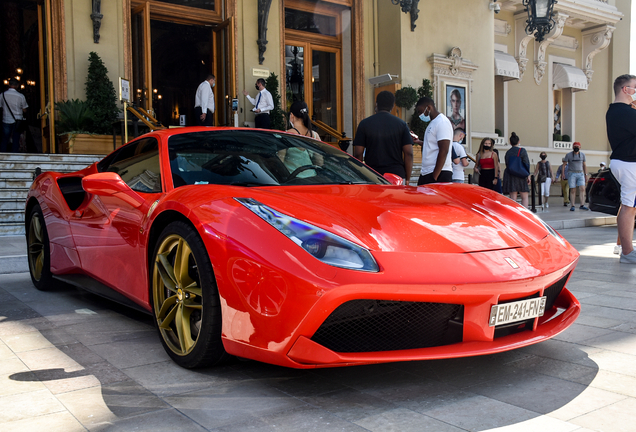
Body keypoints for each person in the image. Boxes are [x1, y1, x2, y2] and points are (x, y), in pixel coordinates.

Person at [606, 74, 636, 263]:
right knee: (629, 207)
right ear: (626, 89)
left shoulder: (616, 111)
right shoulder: (625, 112)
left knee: (628, 205)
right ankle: (627, 252)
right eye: (635, 88)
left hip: (624, 162)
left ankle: (622, 246)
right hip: (629, 163)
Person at [353, 91, 413, 182]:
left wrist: (360, 175)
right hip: (396, 176)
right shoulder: (402, 124)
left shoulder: (364, 124)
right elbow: (409, 153)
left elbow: (358, 153)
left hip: (372, 174)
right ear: (392, 106)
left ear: (376, 104)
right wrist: (407, 178)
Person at [414, 97, 453, 184]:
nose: (420, 115)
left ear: (428, 108)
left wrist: (434, 177)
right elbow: (432, 146)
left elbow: (444, 150)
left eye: (420, 111)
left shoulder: (442, 122)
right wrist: (418, 142)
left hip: (439, 173)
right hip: (427, 172)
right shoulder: (433, 123)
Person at [502, 132, 530, 207]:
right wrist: (528, 175)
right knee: (524, 196)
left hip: (511, 175)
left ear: (510, 143)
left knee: (513, 198)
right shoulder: (522, 151)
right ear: (519, 141)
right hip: (521, 175)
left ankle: (513, 215)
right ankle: (525, 214)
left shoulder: (508, 152)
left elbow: (507, 164)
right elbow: (526, 163)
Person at [0, 78, 28, 153]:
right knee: (16, 138)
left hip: (6, 119)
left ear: (9, 84)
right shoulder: (20, 96)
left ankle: (3, 155)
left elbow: (1, 106)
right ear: (17, 85)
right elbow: (25, 109)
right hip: (18, 120)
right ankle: (15, 154)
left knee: (5, 139)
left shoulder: (2, 95)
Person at [564, 141, 589, 211]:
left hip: (580, 173)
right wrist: (563, 173)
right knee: (573, 189)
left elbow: (584, 165)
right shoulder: (568, 155)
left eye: (577, 147)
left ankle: (582, 204)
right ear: (572, 147)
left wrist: (586, 174)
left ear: (580, 147)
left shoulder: (583, 155)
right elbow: (564, 164)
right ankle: (572, 205)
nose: (576, 148)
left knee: (582, 188)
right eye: (575, 147)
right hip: (572, 173)